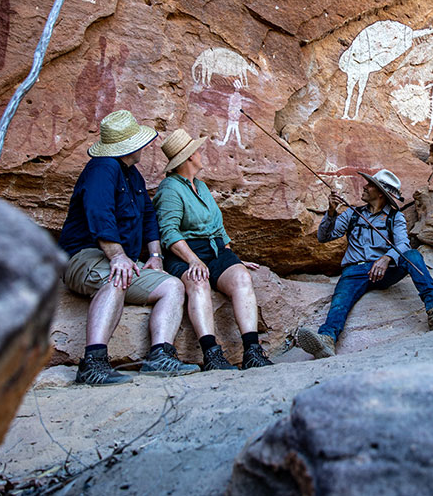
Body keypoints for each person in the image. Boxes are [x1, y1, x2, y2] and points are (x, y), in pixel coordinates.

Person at [59, 110, 199, 385]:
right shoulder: (103, 168)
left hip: (119, 258)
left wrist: (156, 256)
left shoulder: (132, 175)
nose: (146, 146)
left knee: (172, 286)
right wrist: (118, 256)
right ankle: (93, 363)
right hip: (84, 256)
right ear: (130, 146)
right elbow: (99, 213)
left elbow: (148, 216)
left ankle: (160, 356)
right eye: (141, 141)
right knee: (117, 276)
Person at [296, 169, 433, 359]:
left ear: (380, 192)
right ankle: (326, 339)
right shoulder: (353, 213)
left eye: (370, 184)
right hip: (355, 271)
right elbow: (324, 237)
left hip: (384, 271)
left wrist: (387, 258)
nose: (364, 187)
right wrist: (331, 212)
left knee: (413, 256)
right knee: (340, 302)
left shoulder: (394, 217)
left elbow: (403, 244)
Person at [153, 128, 274, 370]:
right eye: (197, 151)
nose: (200, 154)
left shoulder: (202, 187)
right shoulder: (169, 189)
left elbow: (219, 229)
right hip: (185, 253)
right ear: (188, 157)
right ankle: (212, 354)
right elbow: (169, 232)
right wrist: (193, 260)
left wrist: (232, 259)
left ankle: (252, 350)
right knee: (198, 282)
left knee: (241, 276)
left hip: (216, 251)